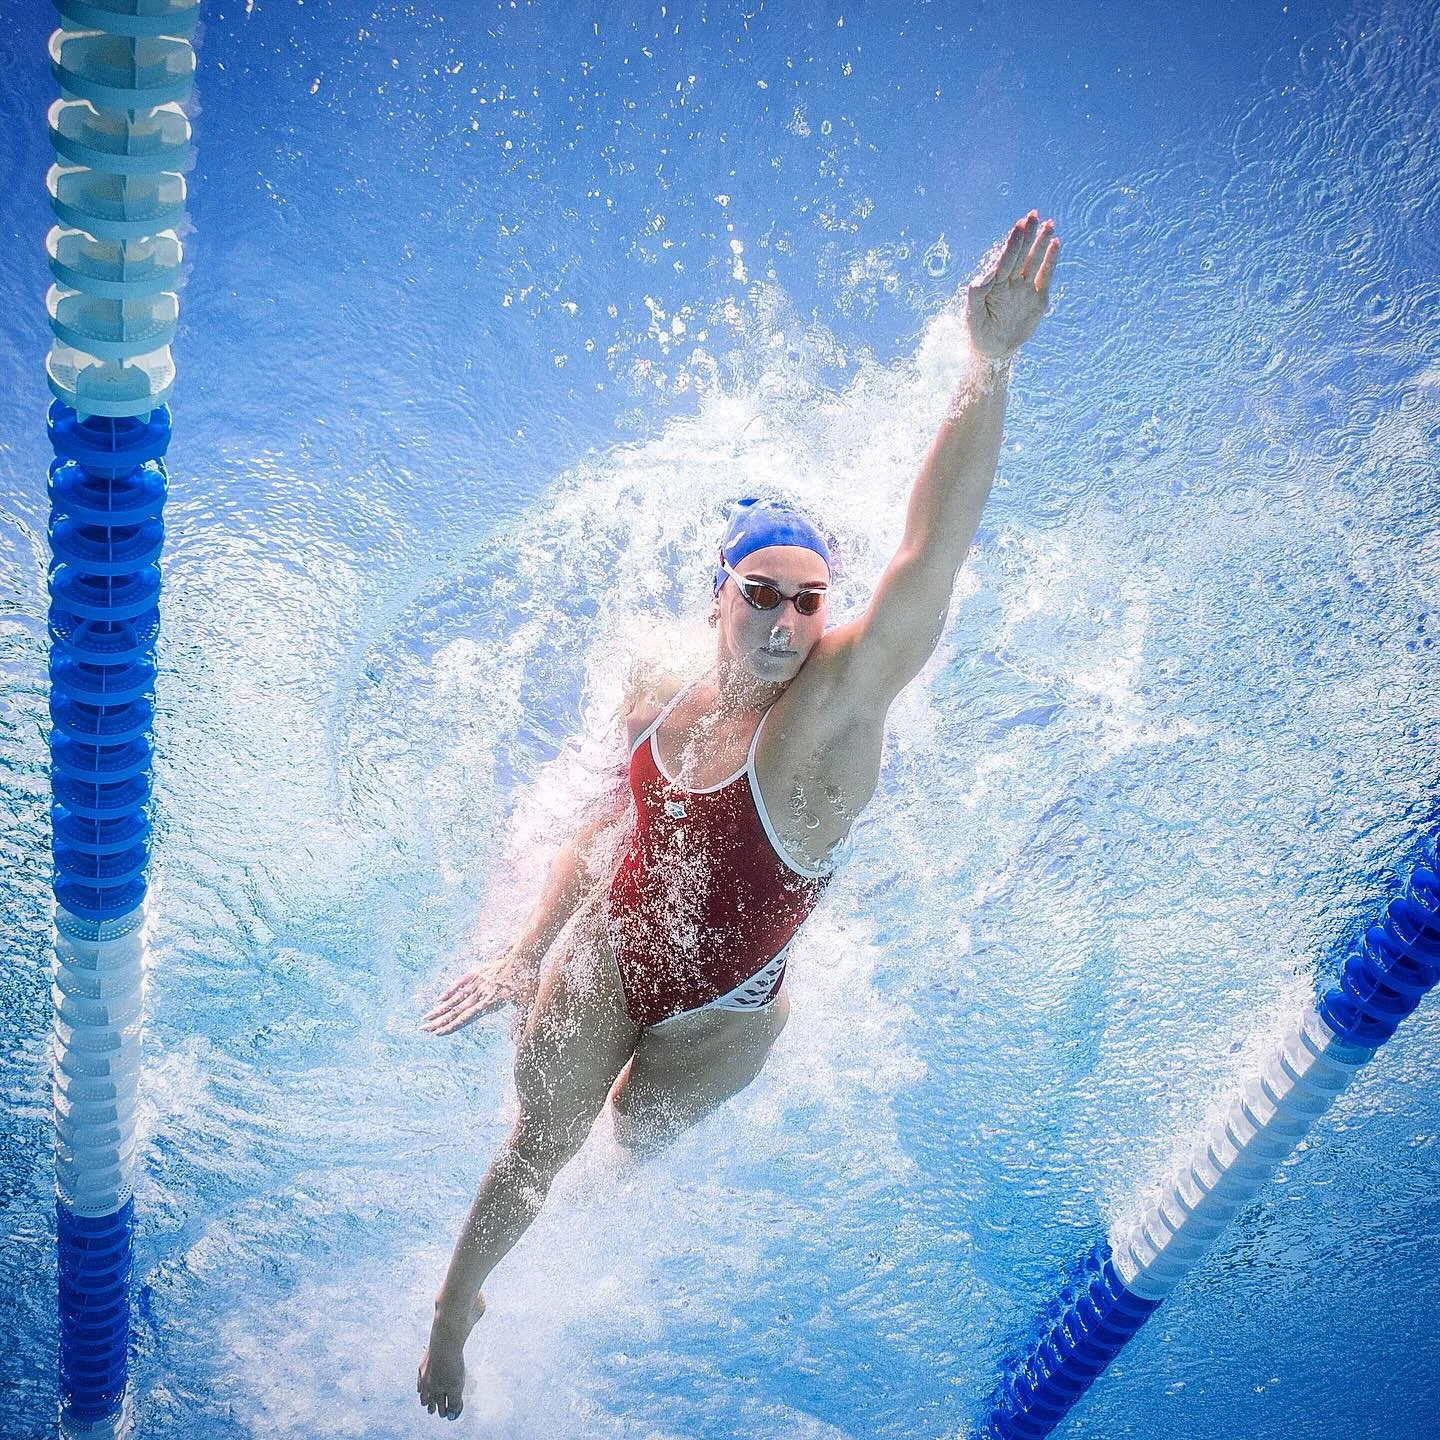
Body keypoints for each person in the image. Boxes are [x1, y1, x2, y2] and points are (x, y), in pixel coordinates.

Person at [417, 211, 1060, 1420]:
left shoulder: (824, 727)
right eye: (761, 596)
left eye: (810, 603)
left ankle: (562, 1215)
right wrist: (525, 947)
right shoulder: (663, 681)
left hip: (723, 1018)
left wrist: (992, 368)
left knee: (625, 1149)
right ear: (719, 600)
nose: (786, 623)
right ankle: (457, 1309)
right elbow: (612, 828)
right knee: (535, 1144)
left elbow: (931, 562)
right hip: (617, 945)